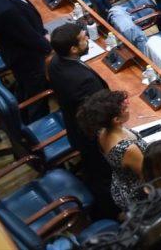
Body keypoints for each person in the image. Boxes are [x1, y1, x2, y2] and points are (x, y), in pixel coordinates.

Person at [47, 24, 117, 216]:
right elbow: (98, 113)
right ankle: (109, 214)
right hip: (92, 139)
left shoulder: (55, 62)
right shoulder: (83, 81)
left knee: (93, 171)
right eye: (83, 38)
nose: (87, 37)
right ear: (74, 49)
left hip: (75, 130)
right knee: (104, 177)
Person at [77, 90, 146, 211]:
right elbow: (148, 175)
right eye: (124, 109)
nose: (128, 109)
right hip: (137, 194)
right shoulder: (128, 149)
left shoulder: (102, 130)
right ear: (116, 120)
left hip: (121, 182)